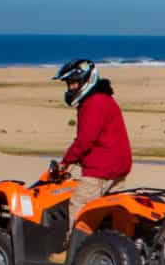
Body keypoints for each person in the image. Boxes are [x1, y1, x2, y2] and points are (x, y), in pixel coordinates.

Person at [52, 59, 133, 252]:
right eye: (68, 83)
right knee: (109, 218)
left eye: (73, 83)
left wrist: (65, 163)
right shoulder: (105, 99)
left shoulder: (93, 102)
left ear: (86, 80)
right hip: (117, 167)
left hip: (101, 169)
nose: (70, 87)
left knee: (78, 205)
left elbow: (85, 140)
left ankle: (73, 253)